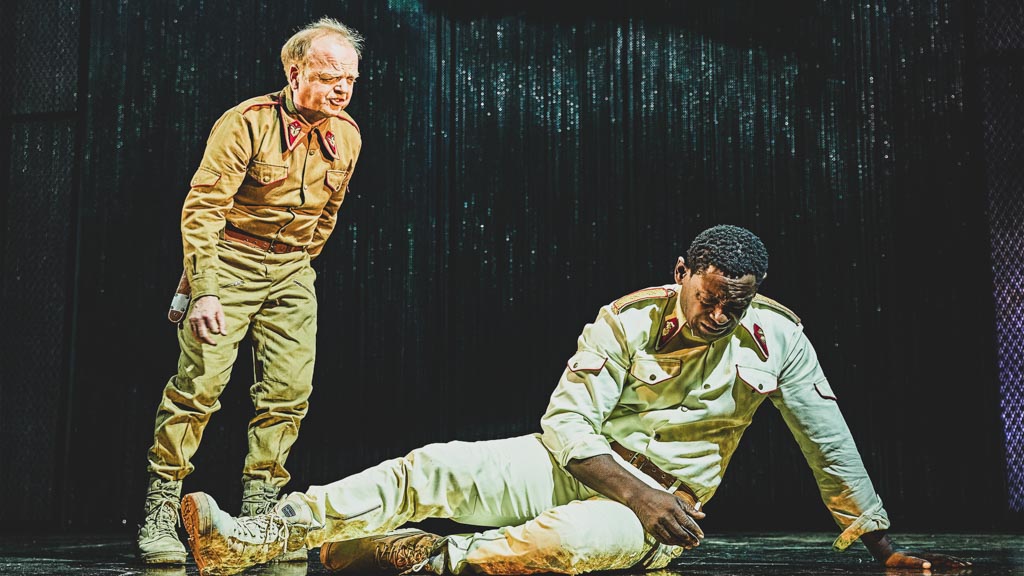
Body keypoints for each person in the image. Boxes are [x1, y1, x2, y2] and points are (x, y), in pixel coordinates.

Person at [176, 224, 970, 576]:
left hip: (657, 512)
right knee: (432, 466)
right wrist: (636, 490)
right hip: (581, 467)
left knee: (560, 546)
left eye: (738, 303)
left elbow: (828, 442)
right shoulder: (625, 319)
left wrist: (881, 548)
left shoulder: (778, 340)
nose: (721, 315)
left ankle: (424, 558)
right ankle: (250, 540)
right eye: (711, 297)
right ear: (683, 273)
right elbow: (563, 425)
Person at [136, 16, 364, 565]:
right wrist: (204, 288)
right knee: (199, 387)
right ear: (295, 72)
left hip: (292, 270)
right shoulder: (246, 123)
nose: (341, 89)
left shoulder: (348, 136)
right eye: (329, 77)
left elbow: (326, 218)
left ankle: (262, 518)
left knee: (288, 394)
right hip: (230, 261)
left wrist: (294, 270)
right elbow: (203, 209)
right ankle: (161, 507)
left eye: (350, 79)